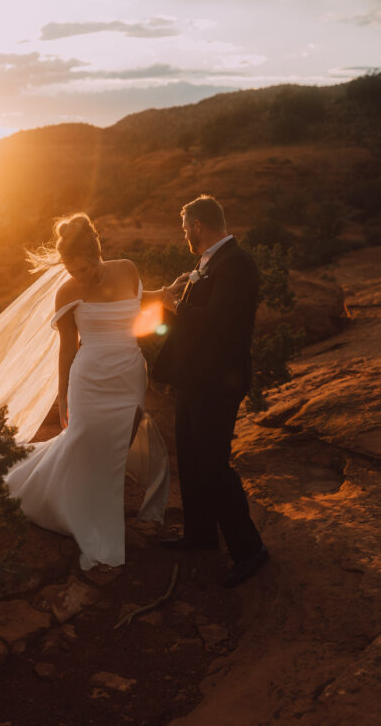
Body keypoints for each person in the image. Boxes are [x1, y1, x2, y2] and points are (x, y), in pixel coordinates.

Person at [5, 213, 169, 575]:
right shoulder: (67, 291)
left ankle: (102, 505)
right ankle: (87, 516)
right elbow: (67, 348)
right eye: (71, 270)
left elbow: (136, 303)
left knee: (119, 445)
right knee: (82, 441)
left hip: (128, 373)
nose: (78, 276)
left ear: (98, 254)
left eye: (83, 269)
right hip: (89, 378)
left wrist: (165, 294)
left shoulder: (126, 269)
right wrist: (63, 397)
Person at [152, 195, 269, 587]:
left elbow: (219, 323)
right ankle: (200, 534)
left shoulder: (236, 264)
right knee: (190, 458)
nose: (184, 234)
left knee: (214, 465)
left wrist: (174, 307)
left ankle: (249, 550)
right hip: (193, 379)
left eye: (185, 227)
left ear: (198, 225)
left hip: (218, 382)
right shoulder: (207, 263)